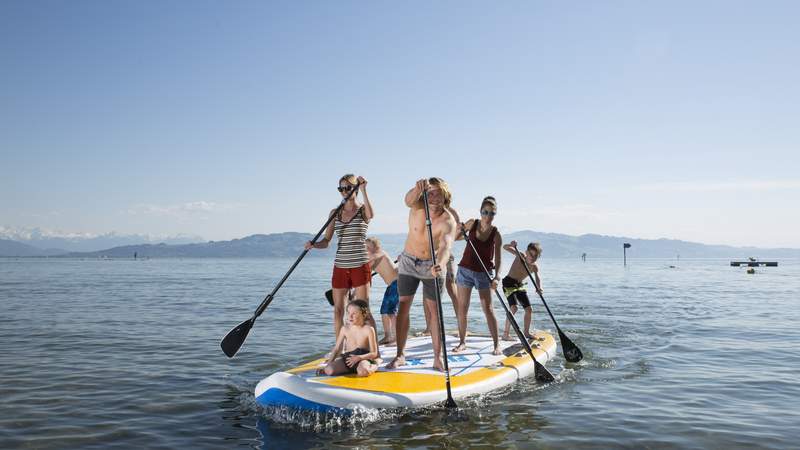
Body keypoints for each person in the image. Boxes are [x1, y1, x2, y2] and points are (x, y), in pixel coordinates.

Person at [387, 178, 456, 371]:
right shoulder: (418, 206)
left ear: (445, 196)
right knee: (403, 306)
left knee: (435, 312)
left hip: (431, 266)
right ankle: (400, 355)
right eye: (430, 193)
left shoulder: (448, 220)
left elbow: (445, 246)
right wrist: (416, 189)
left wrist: (440, 264)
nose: (433, 198)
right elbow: (408, 200)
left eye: (438, 193)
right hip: (408, 261)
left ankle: (437, 358)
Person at [305, 174, 375, 339]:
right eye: (341, 188)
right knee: (338, 310)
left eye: (348, 188)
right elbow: (327, 241)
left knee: (363, 309)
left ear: (355, 188)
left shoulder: (363, 210)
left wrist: (364, 189)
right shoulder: (335, 213)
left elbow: (371, 215)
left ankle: (371, 348)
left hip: (360, 264)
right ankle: (339, 348)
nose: (344, 191)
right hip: (340, 266)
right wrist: (314, 245)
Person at [452, 196, 503, 355]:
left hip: (484, 274)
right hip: (465, 271)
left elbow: (499, 260)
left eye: (492, 213)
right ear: (480, 212)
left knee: (488, 309)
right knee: (462, 308)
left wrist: (497, 277)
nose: (488, 216)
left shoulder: (496, 234)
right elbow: (455, 237)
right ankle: (462, 343)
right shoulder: (472, 223)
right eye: (485, 212)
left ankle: (496, 345)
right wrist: (460, 229)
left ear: (495, 214)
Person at [319, 300, 379, 377]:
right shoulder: (345, 329)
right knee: (329, 370)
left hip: (362, 359)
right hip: (348, 359)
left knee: (363, 372)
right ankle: (349, 369)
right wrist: (328, 364)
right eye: (348, 313)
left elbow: (374, 353)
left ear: (363, 314)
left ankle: (375, 364)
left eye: (354, 313)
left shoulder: (369, 329)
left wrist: (359, 358)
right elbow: (336, 349)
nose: (350, 316)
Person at [501, 241, 543, 341]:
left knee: (529, 309)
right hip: (508, 284)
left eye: (535, 256)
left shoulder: (534, 266)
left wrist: (539, 287)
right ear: (526, 252)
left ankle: (526, 332)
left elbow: (537, 278)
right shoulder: (520, 255)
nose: (532, 258)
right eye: (531, 255)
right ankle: (505, 334)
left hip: (519, 285)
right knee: (514, 308)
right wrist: (511, 245)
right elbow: (504, 247)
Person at [366, 237, 399, 346]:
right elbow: (366, 274)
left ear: (376, 247)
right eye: (364, 247)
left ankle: (396, 337)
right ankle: (388, 336)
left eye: (368, 247)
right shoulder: (372, 259)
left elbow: (371, 259)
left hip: (397, 283)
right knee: (384, 311)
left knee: (390, 311)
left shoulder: (380, 253)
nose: (365, 249)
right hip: (391, 285)